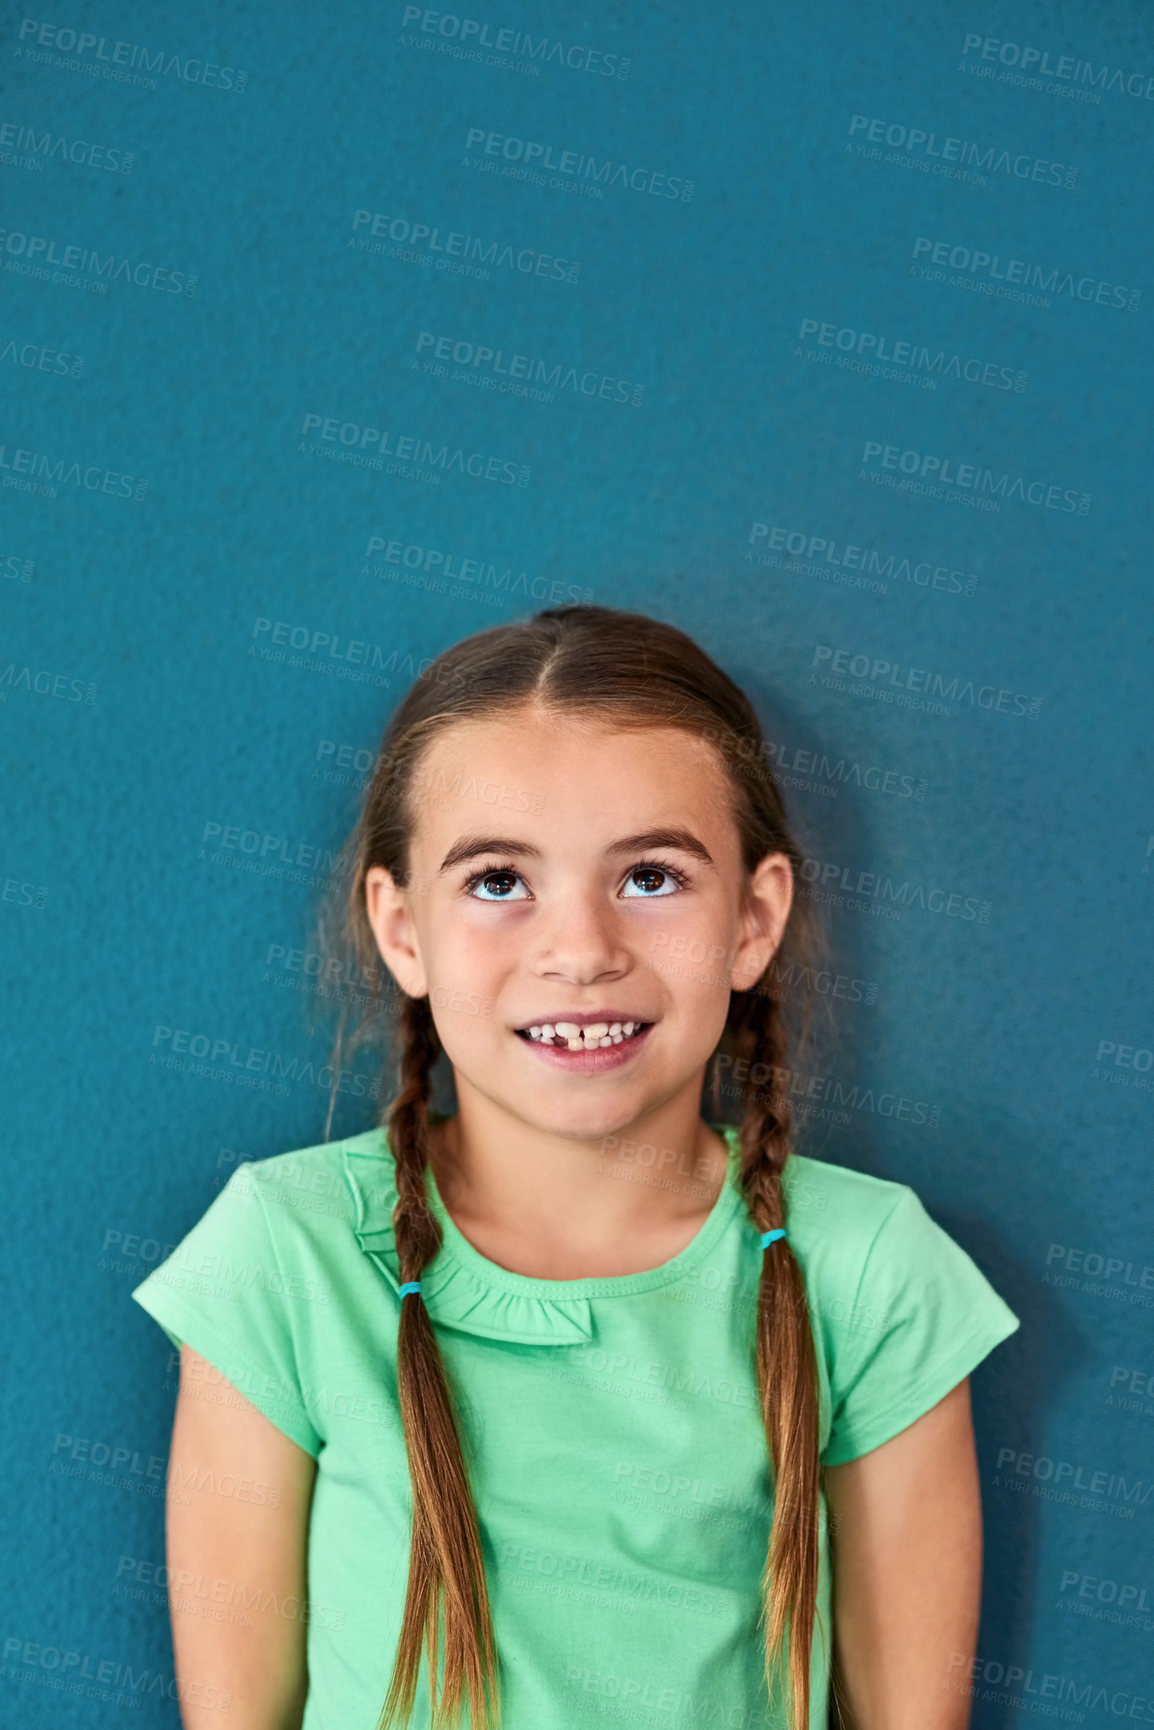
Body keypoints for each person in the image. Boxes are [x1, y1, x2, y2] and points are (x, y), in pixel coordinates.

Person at [132, 604, 1019, 1730]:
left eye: (650, 876)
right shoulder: (281, 1255)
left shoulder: (870, 1271)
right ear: (402, 930)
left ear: (752, 920)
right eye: (498, 880)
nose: (581, 950)